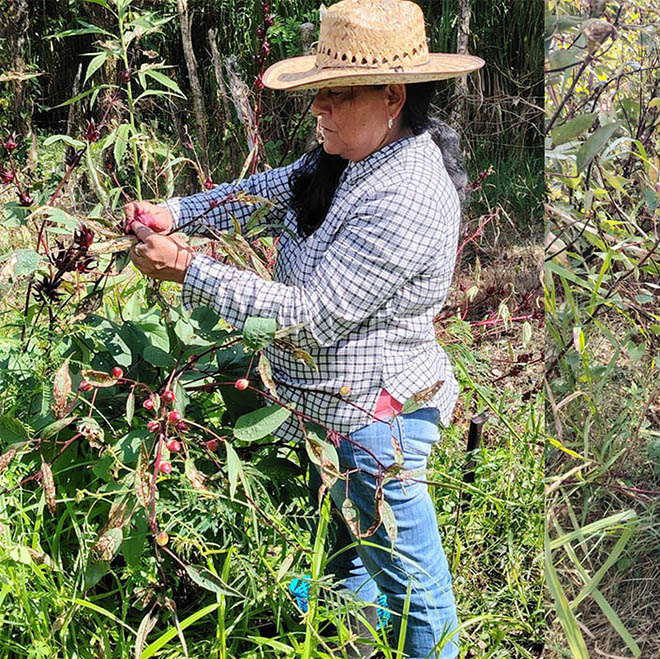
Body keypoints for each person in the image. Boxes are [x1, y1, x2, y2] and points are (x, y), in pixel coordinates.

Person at [123, 1, 484, 657]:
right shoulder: (347, 157)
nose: (318, 108)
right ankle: (355, 643)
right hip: (331, 412)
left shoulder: (407, 191)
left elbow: (311, 319)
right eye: (319, 92)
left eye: (338, 95)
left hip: (376, 421)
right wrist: (175, 213)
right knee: (352, 556)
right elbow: (263, 193)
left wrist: (187, 270)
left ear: (393, 97)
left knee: (416, 592)